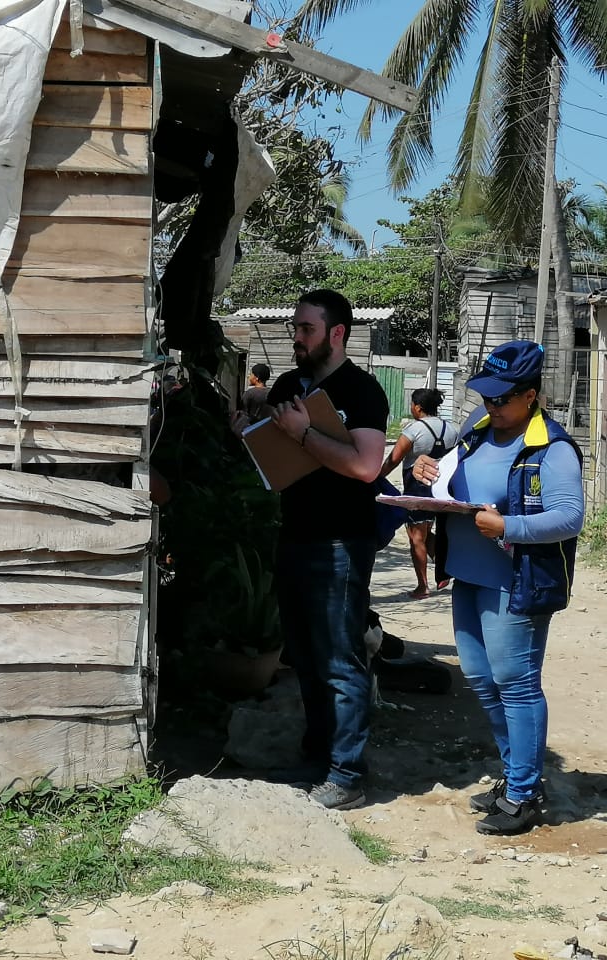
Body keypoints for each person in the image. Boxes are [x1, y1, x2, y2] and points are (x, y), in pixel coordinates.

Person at [413, 340, 584, 836]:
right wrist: (427, 474)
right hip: (468, 575)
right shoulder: (477, 430)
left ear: (530, 395)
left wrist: (508, 527)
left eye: (501, 399)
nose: (490, 406)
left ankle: (525, 793)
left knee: (516, 684)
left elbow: (570, 517)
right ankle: (517, 776)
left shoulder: (551, 448)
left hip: (516, 583)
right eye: (485, 397)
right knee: (482, 682)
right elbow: (449, 476)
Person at [232, 290, 388, 810]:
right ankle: (317, 756)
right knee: (305, 655)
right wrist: (249, 434)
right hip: (295, 532)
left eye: (306, 329)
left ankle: (347, 774)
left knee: (340, 655)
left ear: (337, 333)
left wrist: (301, 434)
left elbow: (366, 468)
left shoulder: (362, 390)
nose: (295, 338)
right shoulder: (288, 385)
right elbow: (273, 451)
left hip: (342, 538)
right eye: (294, 329)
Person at [379, 388, 458, 599]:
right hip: (440, 487)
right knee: (426, 532)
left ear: (418, 407)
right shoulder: (450, 429)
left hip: (417, 486)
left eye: (412, 404)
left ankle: (422, 586)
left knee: (416, 537)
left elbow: (394, 459)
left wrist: (377, 478)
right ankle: (444, 568)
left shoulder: (414, 430)